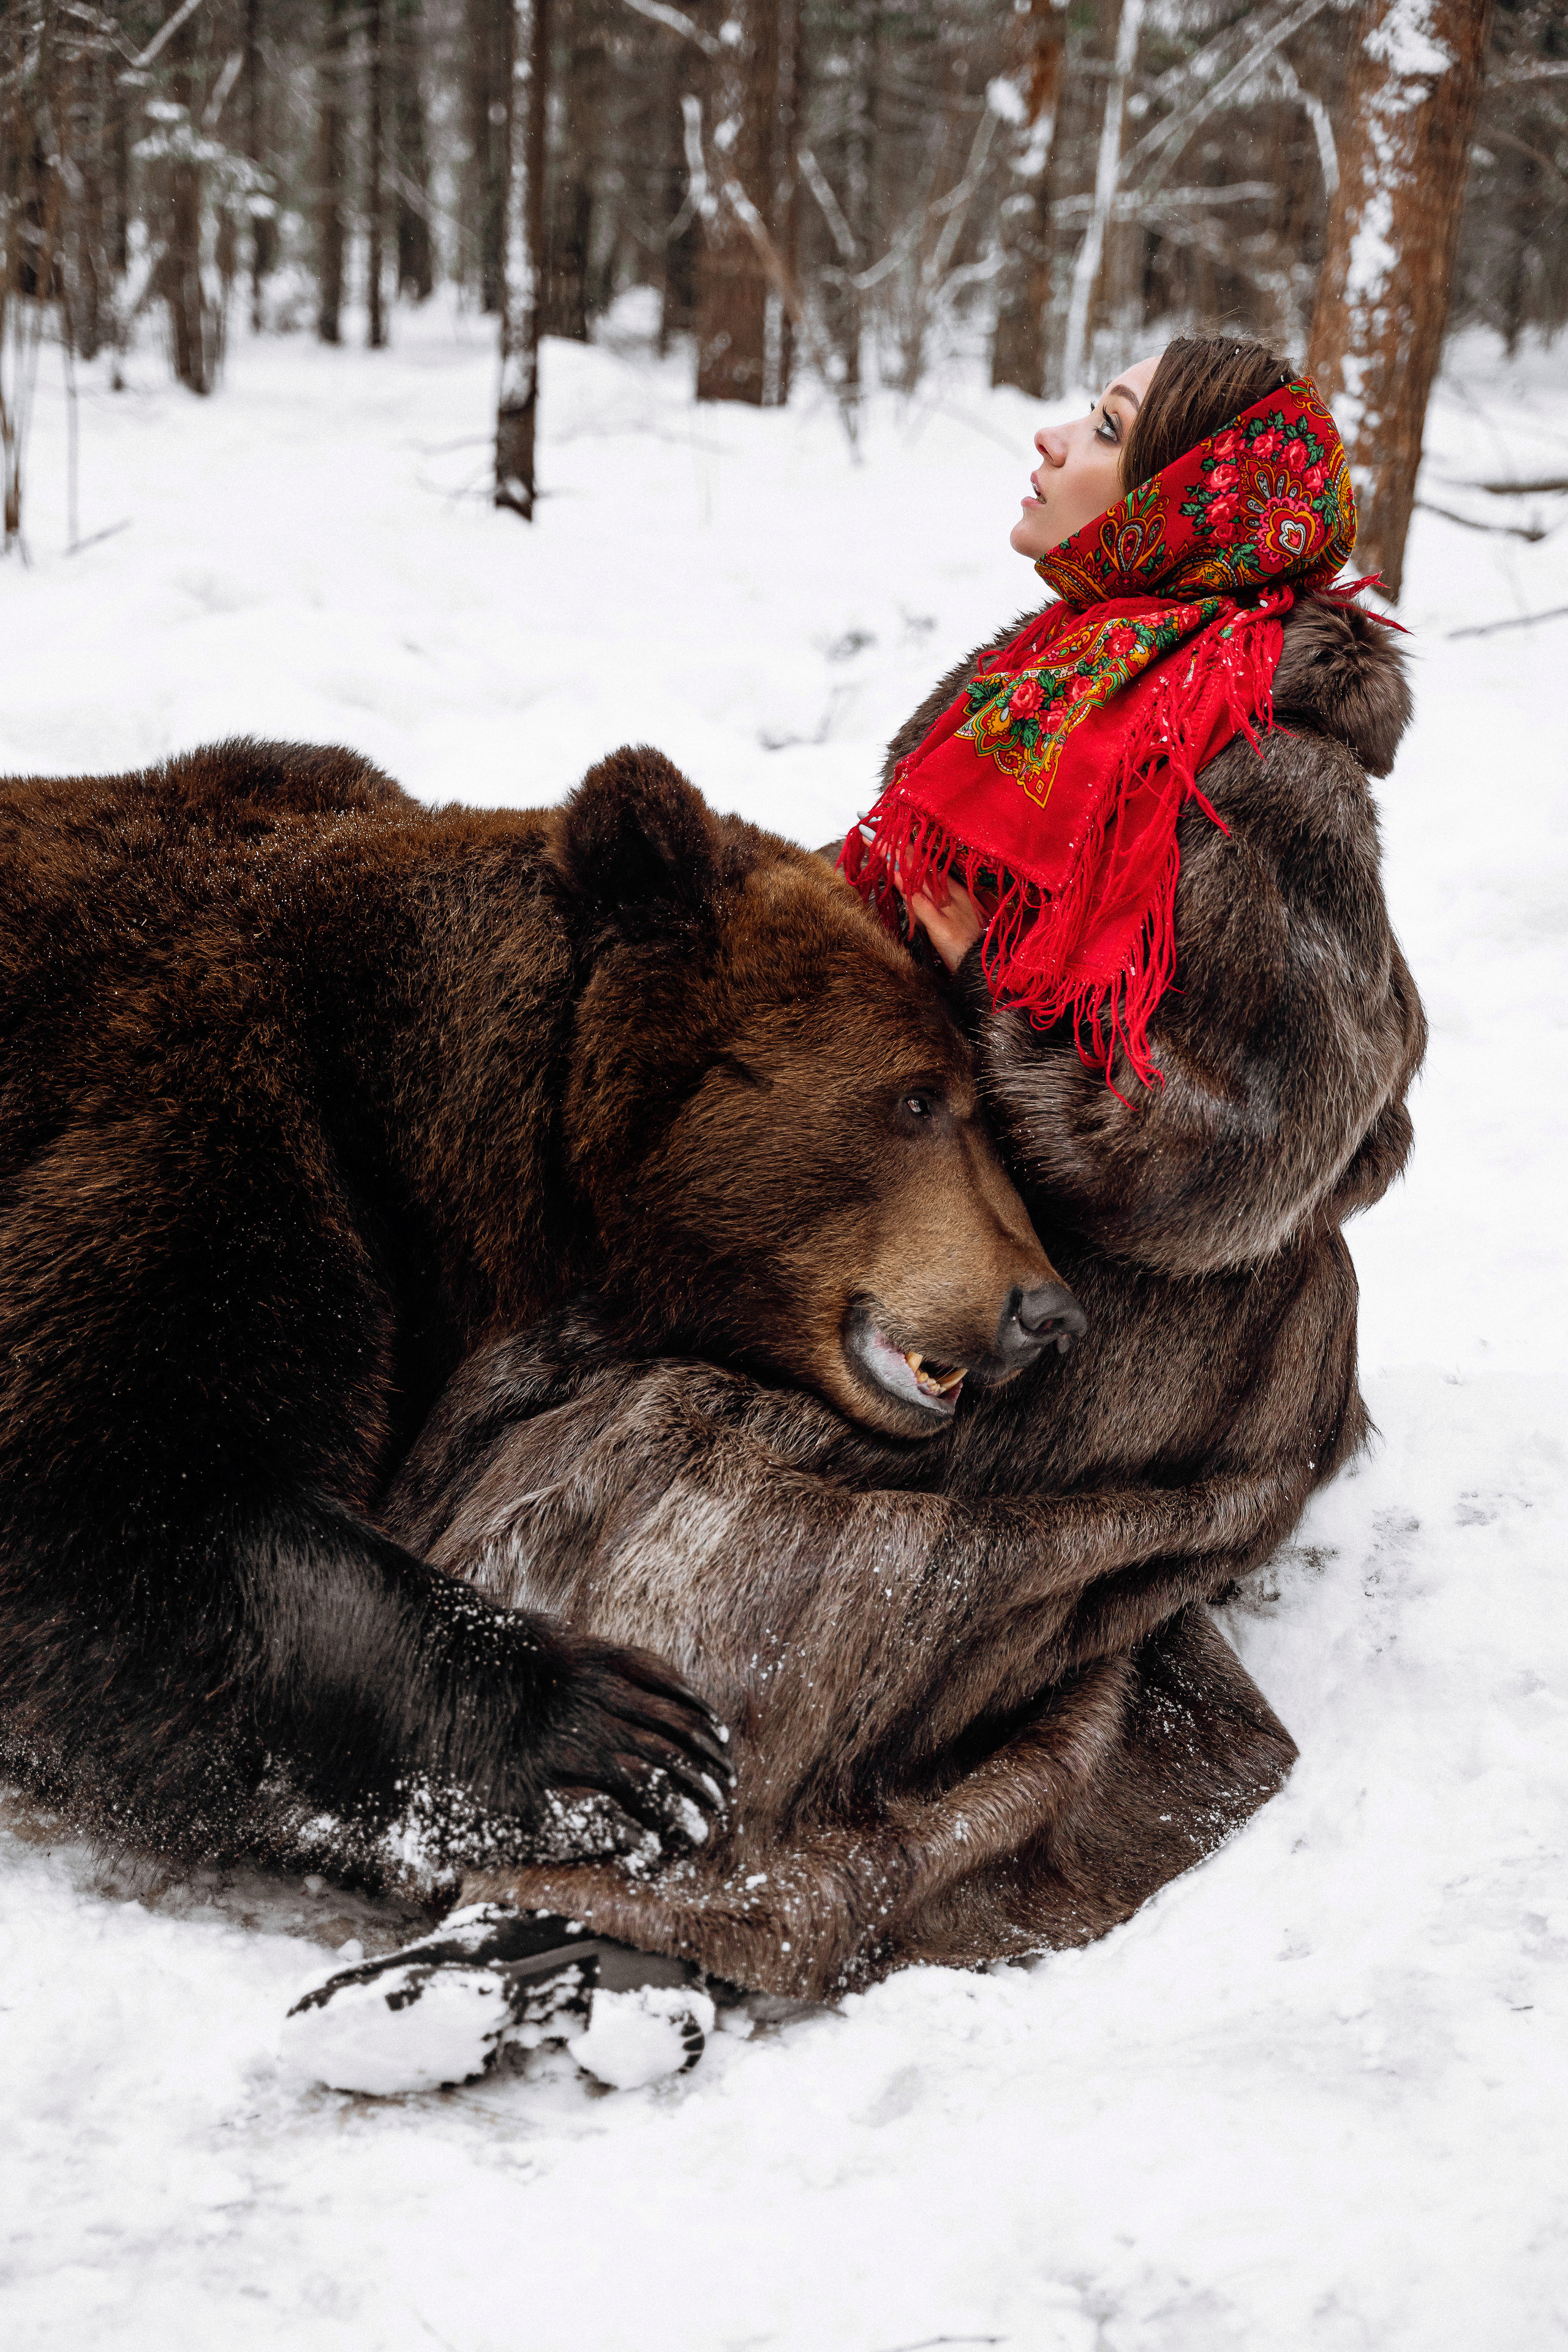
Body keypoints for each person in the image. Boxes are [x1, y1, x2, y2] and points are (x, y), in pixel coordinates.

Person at [286, 334, 1427, 2084]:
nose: (1054, 436)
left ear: (1192, 496)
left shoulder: (1273, 767)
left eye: (1109, 428)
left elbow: (1245, 1153)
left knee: (800, 1525)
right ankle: (453, 1779)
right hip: (973, 1227)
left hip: (1169, 1320)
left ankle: (664, 1897)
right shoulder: (1051, 685)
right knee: (604, 1412)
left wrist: (997, 1031)